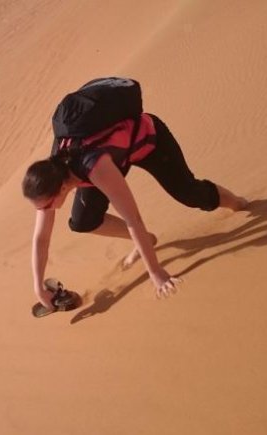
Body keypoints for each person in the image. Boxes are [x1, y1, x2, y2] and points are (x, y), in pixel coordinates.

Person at [22, 110, 247, 313]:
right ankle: (146, 240)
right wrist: (38, 287)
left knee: (189, 193)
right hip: (112, 157)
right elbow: (41, 239)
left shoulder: (95, 167)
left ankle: (237, 202)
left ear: (61, 189)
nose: (43, 211)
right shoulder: (52, 174)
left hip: (147, 140)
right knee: (83, 221)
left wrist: (156, 272)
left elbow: (133, 218)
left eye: (45, 206)